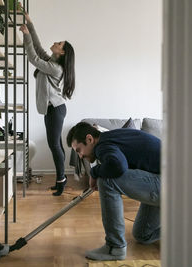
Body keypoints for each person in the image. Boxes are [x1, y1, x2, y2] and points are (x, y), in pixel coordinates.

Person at [66, 122, 161, 260]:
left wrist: (94, 172)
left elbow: (117, 166)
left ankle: (115, 248)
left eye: (79, 150)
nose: (80, 156)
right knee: (143, 235)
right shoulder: (110, 138)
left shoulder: (103, 146)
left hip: (172, 184)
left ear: (89, 139)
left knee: (106, 180)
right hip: (169, 183)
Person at [20, 13, 75, 196]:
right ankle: (61, 178)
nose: (55, 43)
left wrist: (26, 35)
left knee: (54, 145)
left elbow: (34, 59)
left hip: (56, 110)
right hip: (52, 109)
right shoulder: (51, 61)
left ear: (62, 52)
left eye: (59, 44)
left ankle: (61, 179)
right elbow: (37, 47)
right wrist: (30, 24)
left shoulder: (55, 68)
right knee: (55, 144)